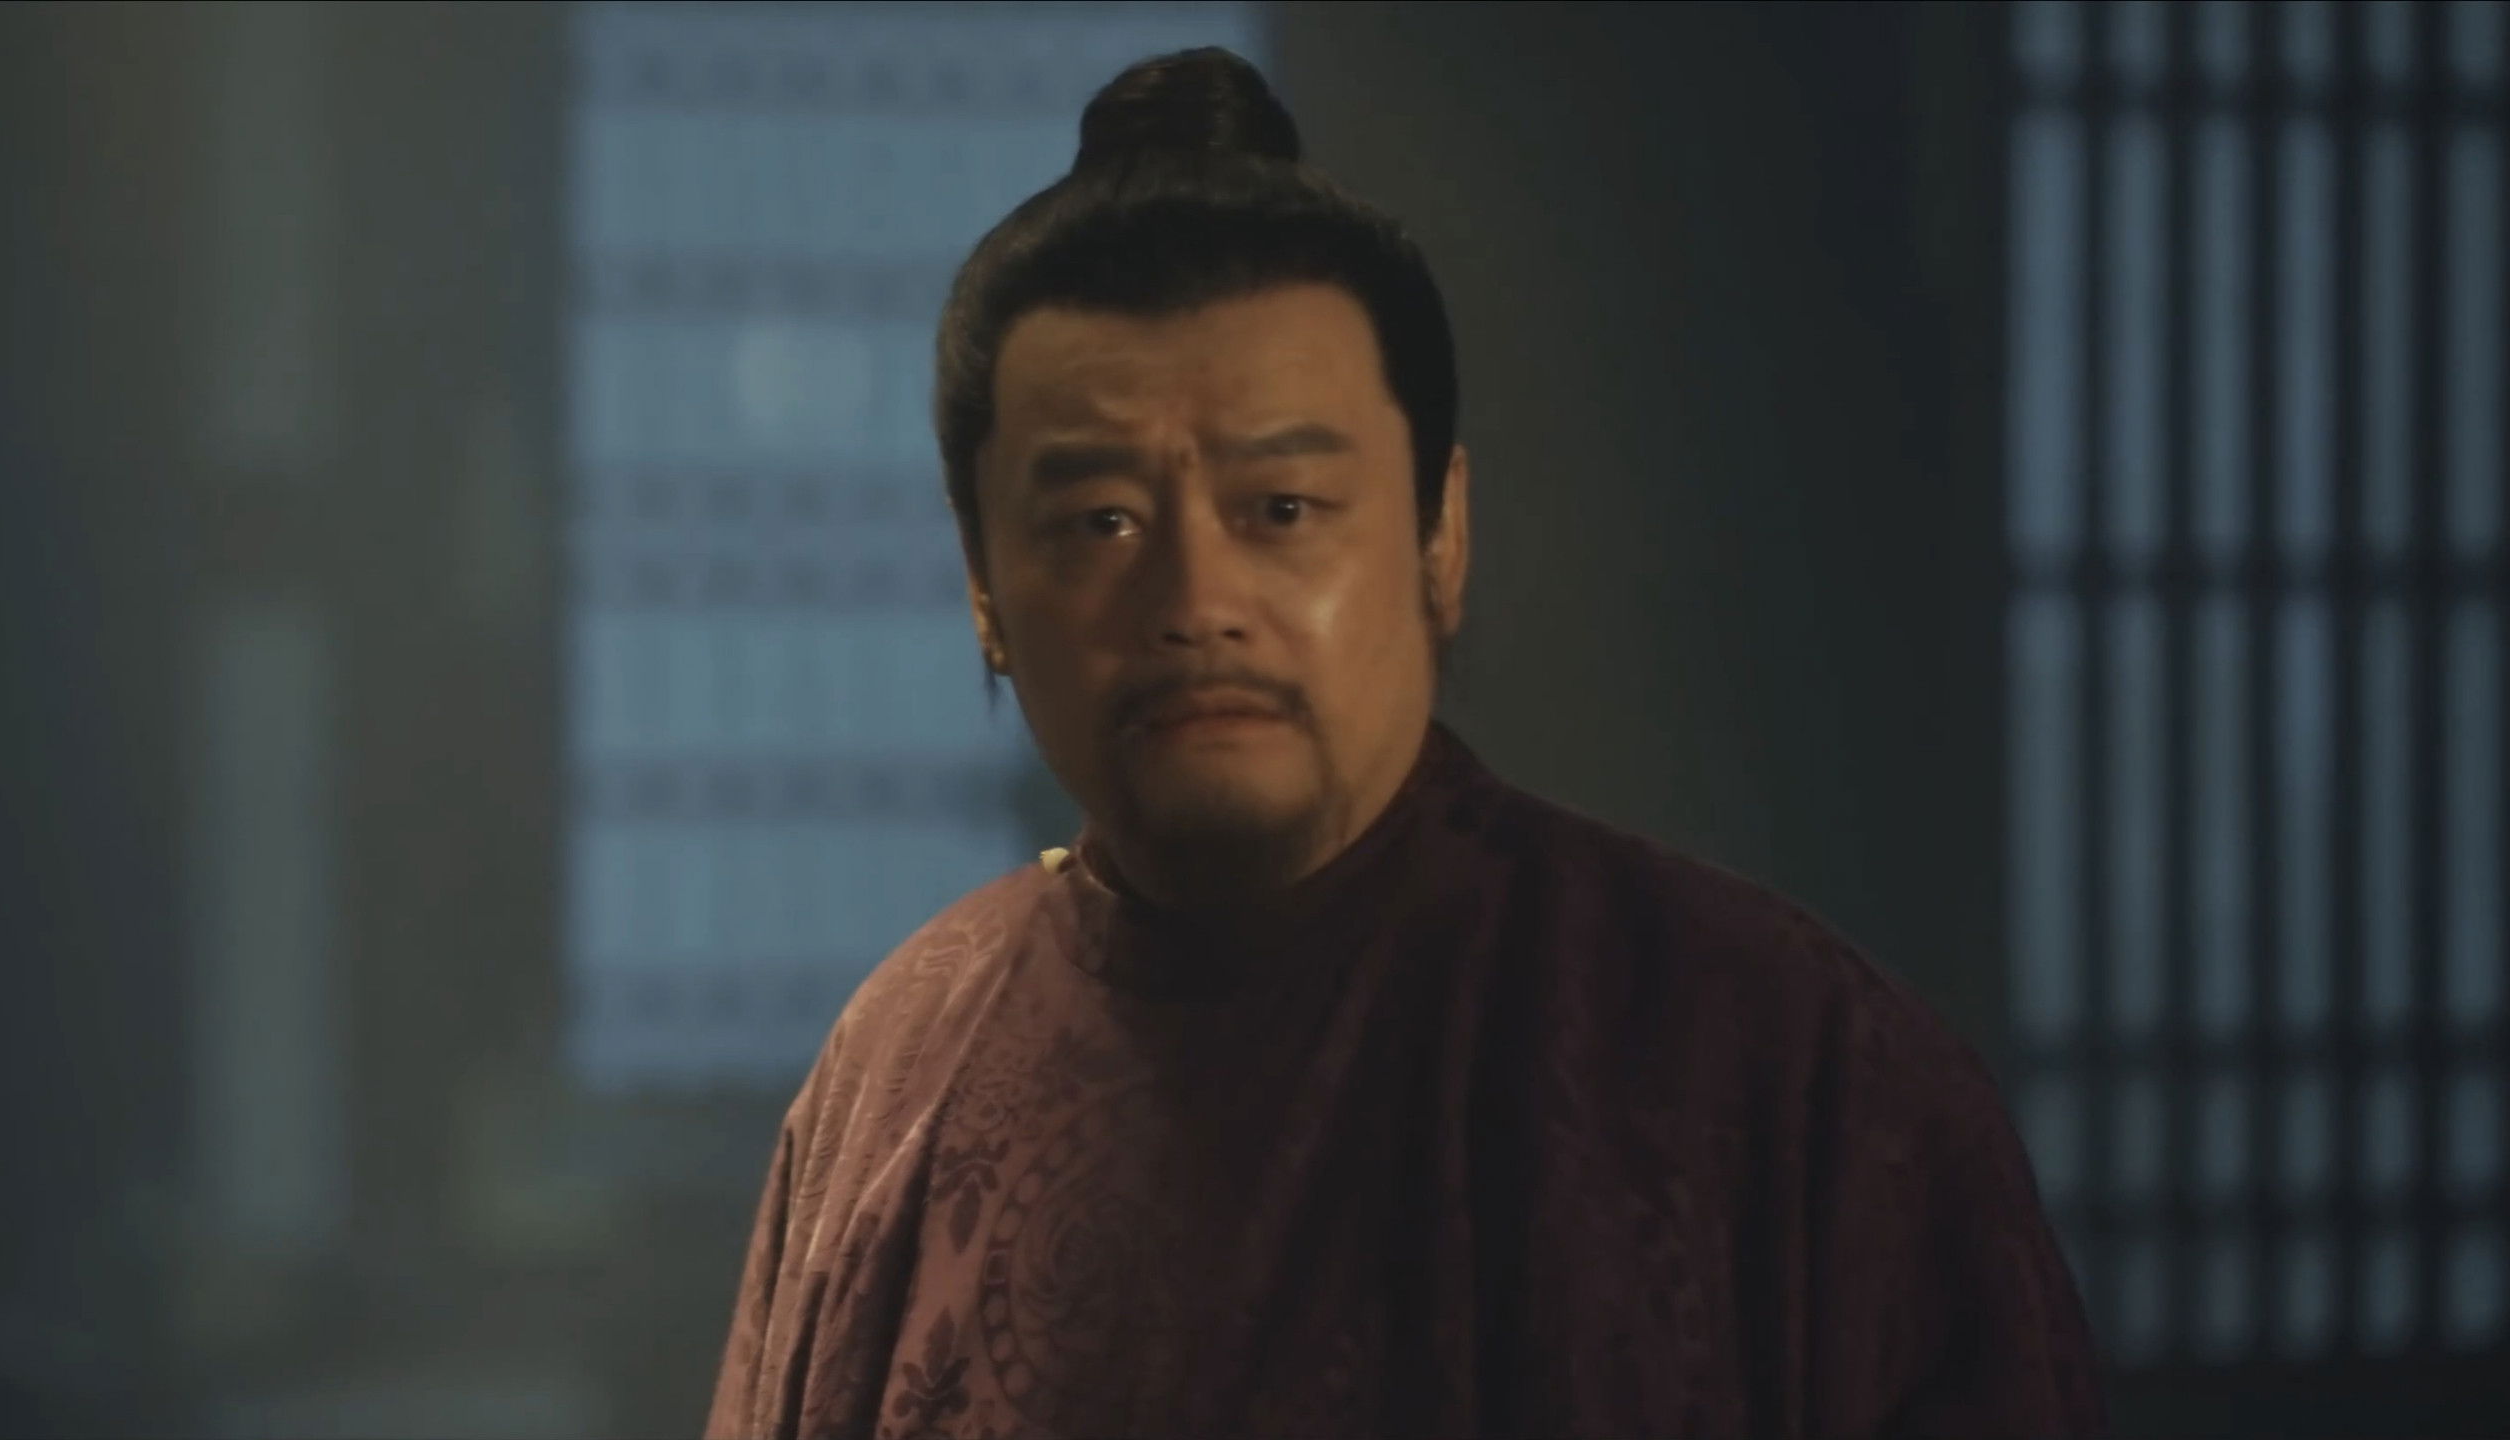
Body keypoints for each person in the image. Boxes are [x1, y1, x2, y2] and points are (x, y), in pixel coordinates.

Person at [706, 46, 2104, 1440]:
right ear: (983, 588)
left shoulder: (1791, 1068)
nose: (1194, 601)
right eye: (1099, 522)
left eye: (1283, 509)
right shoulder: (897, 1073)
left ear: (1441, 535)